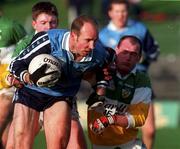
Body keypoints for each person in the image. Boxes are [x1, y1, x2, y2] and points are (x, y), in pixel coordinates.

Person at [8, 15, 113, 149]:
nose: (92, 46)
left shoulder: (98, 52)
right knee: (21, 144)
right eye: (87, 40)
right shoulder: (49, 40)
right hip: (30, 91)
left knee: (58, 145)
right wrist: (29, 77)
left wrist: (100, 91)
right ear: (74, 35)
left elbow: (107, 65)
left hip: (60, 95)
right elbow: (16, 64)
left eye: (95, 40)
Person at [6, 2, 87, 149]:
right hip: (31, 95)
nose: (48, 27)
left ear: (58, 22)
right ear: (34, 24)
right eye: (43, 23)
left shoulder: (63, 41)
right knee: (14, 143)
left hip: (60, 96)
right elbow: (12, 71)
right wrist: (17, 80)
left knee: (76, 143)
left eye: (52, 22)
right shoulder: (26, 43)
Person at [99, 1, 159, 148]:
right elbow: (98, 61)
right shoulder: (102, 35)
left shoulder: (140, 29)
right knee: (111, 131)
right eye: (117, 11)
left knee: (150, 130)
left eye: (124, 11)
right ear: (110, 13)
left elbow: (154, 51)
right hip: (113, 88)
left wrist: (142, 60)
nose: (121, 15)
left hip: (138, 83)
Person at [87, 35, 152, 149]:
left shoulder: (142, 80)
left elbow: (138, 118)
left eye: (133, 54)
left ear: (139, 58)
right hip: (100, 144)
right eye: (125, 52)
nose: (128, 58)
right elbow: (81, 73)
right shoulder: (101, 67)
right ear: (116, 50)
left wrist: (111, 119)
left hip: (128, 144)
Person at [0, 9, 26, 148]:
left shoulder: (10, 26)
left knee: (3, 115)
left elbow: (27, 45)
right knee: (8, 131)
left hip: (9, 79)